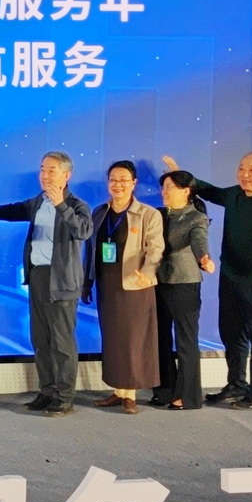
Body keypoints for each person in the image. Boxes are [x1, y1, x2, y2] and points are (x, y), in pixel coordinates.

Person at [161, 152, 252, 410]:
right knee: (232, 335)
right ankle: (236, 385)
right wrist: (181, 176)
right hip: (231, 276)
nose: (245, 175)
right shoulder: (235, 194)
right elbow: (210, 192)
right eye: (242, 168)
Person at [0, 151, 94, 417]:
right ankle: (47, 391)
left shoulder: (77, 204)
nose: (45, 175)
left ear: (66, 175)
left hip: (62, 280)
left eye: (51, 170)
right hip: (38, 276)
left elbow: (84, 231)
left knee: (62, 342)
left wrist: (61, 205)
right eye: (42, 170)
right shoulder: (38, 201)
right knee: (41, 339)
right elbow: (12, 210)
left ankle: (64, 396)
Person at [83, 161, 164, 415]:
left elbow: (155, 249)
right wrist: (87, 280)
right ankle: (118, 391)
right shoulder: (99, 212)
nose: (118, 185)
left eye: (123, 180)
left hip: (134, 284)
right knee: (113, 339)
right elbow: (90, 249)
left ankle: (131, 394)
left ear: (134, 183)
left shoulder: (148, 214)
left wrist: (147, 274)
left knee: (133, 340)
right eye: (113, 180)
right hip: (106, 284)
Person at [151, 170, 216, 410]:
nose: (164, 191)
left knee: (185, 339)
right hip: (158, 281)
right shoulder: (158, 214)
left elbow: (199, 240)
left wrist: (204, 258)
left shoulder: (196, 217)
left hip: (184, 282)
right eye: (163, 187)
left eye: (170, 187)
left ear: (186, 191)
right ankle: (165, 389)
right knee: (160, 337)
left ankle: (188, 396)